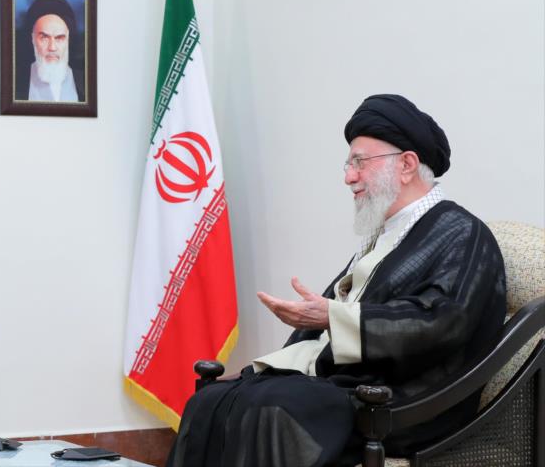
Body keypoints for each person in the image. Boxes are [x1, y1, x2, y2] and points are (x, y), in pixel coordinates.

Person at [168, 95, 506, 467]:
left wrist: (331, 316)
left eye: (360, 162)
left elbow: (442, 322)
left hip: (404, 400)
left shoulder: (462, 233)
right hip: (350, 388)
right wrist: (258, 369)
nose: (349, 177)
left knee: (273, 405)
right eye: (348, 164)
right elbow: (322, 333)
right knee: (211, 400)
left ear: (407, 164)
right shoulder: (388, 234)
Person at [15, 0, 85, 103]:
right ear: (32, 39)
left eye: (59, 38)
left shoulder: (86, 83)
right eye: (44, 38)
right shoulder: (15, 83)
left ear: (68, 41)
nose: (52, 47)